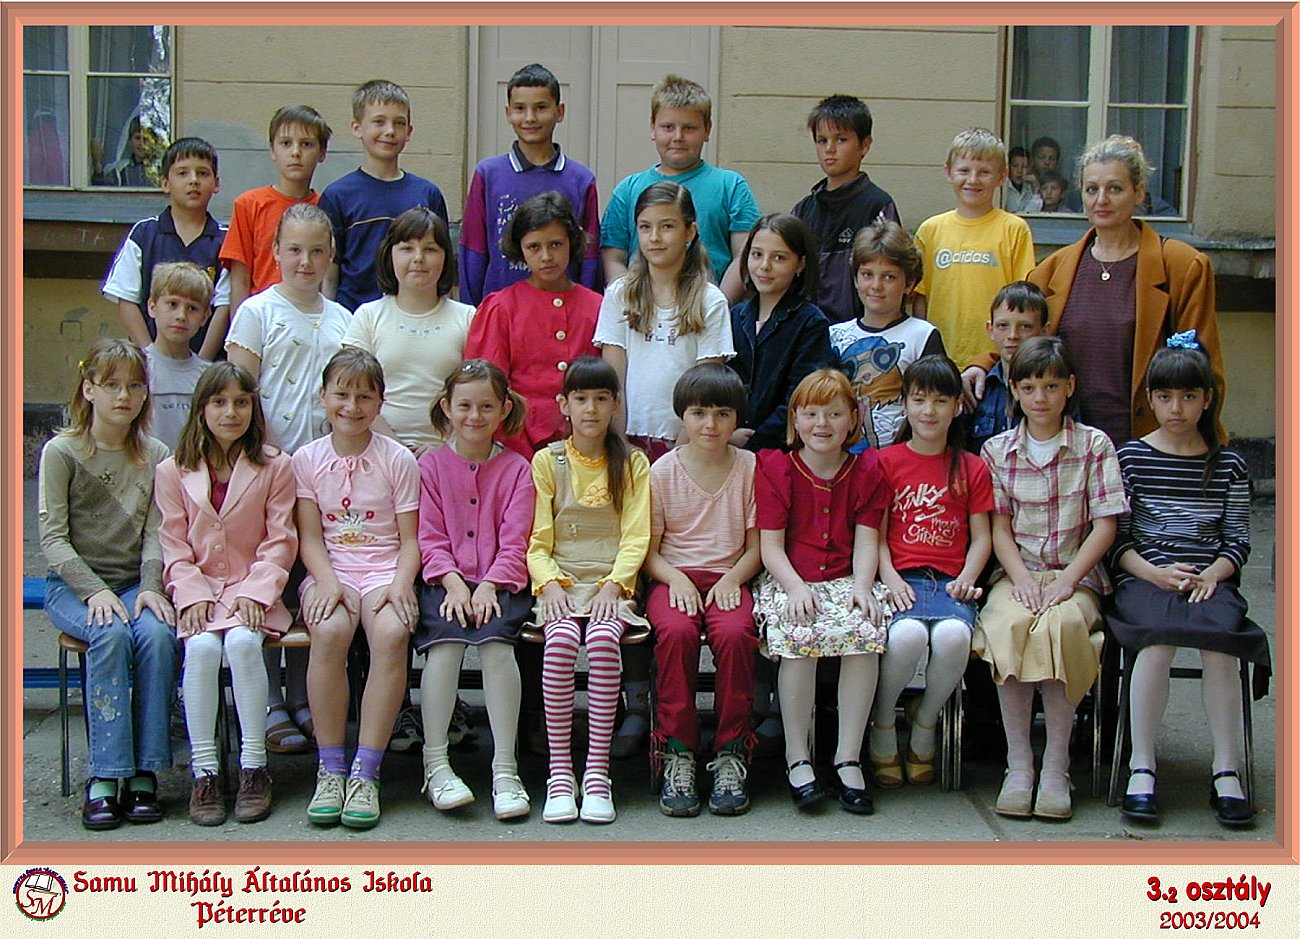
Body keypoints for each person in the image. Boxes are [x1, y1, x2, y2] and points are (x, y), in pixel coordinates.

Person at [966, 135, 1225, 446]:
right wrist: (982, 364)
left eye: (1114, 188)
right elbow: (1020, 337)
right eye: (1092, 189)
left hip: (1148, 446)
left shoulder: (1182, 266)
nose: (1102, 200)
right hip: (1067, 449)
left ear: (1138, 192)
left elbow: (1204, 371)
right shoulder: (1053, 270)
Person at [1109, 340, 1268, 828]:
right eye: (1165, 397)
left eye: (1188, 396)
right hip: (1147, 578)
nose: (1176, 408)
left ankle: (1226, 769)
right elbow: (1118, 540)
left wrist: (1213, 574)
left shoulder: (1228, 465)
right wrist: (1153, 573)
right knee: (1155, 643)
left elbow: (1237, 540)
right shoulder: (1131, 457)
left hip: (1208, 581)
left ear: (1207, 399)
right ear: (1151, 399)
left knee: (1220, 646)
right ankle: (1142, 765)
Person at [975, 336, 1127, 821]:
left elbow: (1105, 525)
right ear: (1014, 391)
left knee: (1063, 627)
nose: (1040, 397)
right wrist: (1021, 579)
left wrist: (1067, 581)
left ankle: (1057, 765)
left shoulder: (1094, 445)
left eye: (1051, 386)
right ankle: (1019, 764)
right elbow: (999, 528)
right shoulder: (997, 450)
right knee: (1009, 625)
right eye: (1029, 387)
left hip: (1075, 575)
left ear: (1070, 387)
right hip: (1016, 573)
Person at [226, 202, 352, 752]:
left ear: (331, 255)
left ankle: (304, 699)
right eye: (294, 249)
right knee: (266, 580)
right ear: (275, 251)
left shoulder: (343, 320)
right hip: (268, 471)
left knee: (310, 587)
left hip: (324, 475)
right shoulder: (256, 313)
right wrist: (260, 456)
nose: (305, 261)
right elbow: (238, 393)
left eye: (316, 251)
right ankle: (269, 703)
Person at [38, 339, 179, 831]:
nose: (124, 396)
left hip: (134, 583)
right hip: (75, 587)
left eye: (135, 386)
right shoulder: (62, 452)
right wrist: (92, 590)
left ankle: (145, 772)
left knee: (157, 634)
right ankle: (105, 774)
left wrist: (151, 586)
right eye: (112, 385)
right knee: (110, 634)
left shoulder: (156, 454)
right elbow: (53, 538)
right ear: (89, 389)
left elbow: (157, 531)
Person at [154, 362, 298, 826]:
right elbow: (173, 544)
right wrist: (190, 593)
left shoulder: (275, 465)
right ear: (201, 408)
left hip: (252, 591)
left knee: (241, 643)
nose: (230, 412)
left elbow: (280, 540)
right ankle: (206, 772)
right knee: (199, 650)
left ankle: (254, 766)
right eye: (219, 402)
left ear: (253, 408)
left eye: (240, 402)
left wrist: (257, 592)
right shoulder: (172, 470)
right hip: (199, 591)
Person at [293, 348, 421, 830]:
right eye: (341, 394)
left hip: (385, 567)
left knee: (390, 633)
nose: (352, 406)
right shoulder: (306, 459)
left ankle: (366, 771)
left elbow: (410, 540)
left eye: (365, 397)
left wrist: (402, 583)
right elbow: (309, 537)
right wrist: (327, 582)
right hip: (333, 567)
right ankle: (331, 768)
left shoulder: (397, 459)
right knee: (329, 632)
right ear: (323, 396)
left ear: (380, 402)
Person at [755, 368, 890, 815]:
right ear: (795, 419)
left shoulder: (866, 469)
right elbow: (770, 546)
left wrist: (864, 586)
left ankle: (848, 756)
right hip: (790, 576)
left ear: (852, 419)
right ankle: (798, 757)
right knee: (799, 632)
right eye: (811, 413)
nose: (822, 424)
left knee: (864, 630)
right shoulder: (777, 468)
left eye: (834, 414)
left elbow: (867, 539)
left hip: (846, 576)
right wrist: (794, 586)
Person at [527, 357, 651, 824]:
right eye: (580, 399)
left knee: (601, 641)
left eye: (601, 399)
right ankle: (561, 772)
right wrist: (548, 582)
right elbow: (537, 538)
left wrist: (616, 585)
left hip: (610, 585)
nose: (591, 409)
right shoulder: (547, 461)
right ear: (564, 404)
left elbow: (636, 535)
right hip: (561, 581)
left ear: (616, 404)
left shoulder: (633, 462)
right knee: (559, 642)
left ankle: (597, 772)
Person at [415, 360, 535, 821]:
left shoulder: (517, 469)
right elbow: (429, 536)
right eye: (464, 406)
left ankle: (505, 769)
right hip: (443, 581)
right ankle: (436, 764)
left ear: (504, 409)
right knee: (444, 648)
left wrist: (487, 585)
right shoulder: (430, 466)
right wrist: (451, 582)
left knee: (496, 648)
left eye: (486, 406)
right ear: (447, 407)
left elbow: (516, 539)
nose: (475, 416)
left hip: (498, 581)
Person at [868, 356, 992, 788]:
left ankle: (925, 719)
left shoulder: (972, 466)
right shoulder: (885, 462)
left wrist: (968, 578)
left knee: (954, 637)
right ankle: (883, 719)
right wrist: (889, 577)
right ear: (904, 403)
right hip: (901, 579)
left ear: (957, 406)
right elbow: (875, 535)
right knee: (906, 637)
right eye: (919, 400)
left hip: (950, 582)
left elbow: (982, 537)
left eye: (941, 401)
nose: (929, 411)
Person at [645, 364, 761, 817]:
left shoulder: (749, 467)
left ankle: (731, 749)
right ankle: (678, 750)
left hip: (730, 575)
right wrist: (674, 578)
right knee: (675, 633)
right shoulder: (662, 472)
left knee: (735, 635)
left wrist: (733, 578)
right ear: (682, 416)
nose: (710, 424)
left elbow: (757, 545)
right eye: (698, 413)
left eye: (722, 414)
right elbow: (648, 551)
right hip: (674, 576)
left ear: (736, 419)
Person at [595, 181, 734, 460]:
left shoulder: (710, 301)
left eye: (667, 226)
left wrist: (676, 456)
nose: (655, 237)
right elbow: (612, 380)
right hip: (627, 440)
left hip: (686, 443)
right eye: (645, 227)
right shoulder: (620, 294)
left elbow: (704, 389)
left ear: (690, 231)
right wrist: (620, 445)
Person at [464, 192, 602, 457]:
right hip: (515, 446)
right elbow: (487, 387)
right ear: (521, 249)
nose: (546, 256)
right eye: (534, 247)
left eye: (556, 244)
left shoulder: (597, 307)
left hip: (587, 445)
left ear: (571, 242)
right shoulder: (501, 307)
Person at [600, 74, 759, 303]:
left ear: (707, 130)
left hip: (708, 310)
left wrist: (716, 306)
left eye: (689, 128)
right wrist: (631, 304)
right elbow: (613, 258)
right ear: (653, 128)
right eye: (668, 127)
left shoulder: (730, 186)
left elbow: (744, 254)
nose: (678, 137)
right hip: (643, 311)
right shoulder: (628, 190)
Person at [459, 64, 602, 305]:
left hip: (564, 312)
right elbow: (472, 252)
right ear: (508, 113)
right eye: (520, 108)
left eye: (541, 107)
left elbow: (589, 259)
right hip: (502, 312)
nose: (530, 118)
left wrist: (587, 313)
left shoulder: (580, 180)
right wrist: (472, 313)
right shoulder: (488, 175)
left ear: (559, 111)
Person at [342, 206, 475, 453]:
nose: (418, 258)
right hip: (377, 450)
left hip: (450, 453)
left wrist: (443, 449)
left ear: (446, 257)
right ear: (390, 255)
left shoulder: (468, 318)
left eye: (430, 249)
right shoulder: (368, 316)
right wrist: (397, 449)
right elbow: (352, 391)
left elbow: (479, 394)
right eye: (407, 248)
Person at [319, 80, 449, 311]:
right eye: (379, 122)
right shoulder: (337, 196)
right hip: (353, 316)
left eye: (399, 123)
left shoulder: (427, 194)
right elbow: (330, 272)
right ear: (357, 127)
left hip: (414, 316)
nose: (389, 131)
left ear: (409, 131)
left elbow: (442, 264)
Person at [911, 128, 1035, 371]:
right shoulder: (930, 231)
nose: (973, 180)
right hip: (941, 359)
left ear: (1002, 176)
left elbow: (1022, 298)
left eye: (984, 172)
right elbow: (920, 299)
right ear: (948, 172)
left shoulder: (1014, 229)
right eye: (964, 170)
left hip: (995, 360)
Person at [102, 137, 231, 360]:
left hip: (207, 365)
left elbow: (224, 306)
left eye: (202, 173)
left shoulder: (226, 240)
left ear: (216, 183)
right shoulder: (145, 234)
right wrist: (150, 357)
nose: (193, 181)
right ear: (165, 183)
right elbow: (127, 298)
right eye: (182, 173)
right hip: (149, 362)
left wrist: (201, 365)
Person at [830, 220, 946, 450]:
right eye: (867, 274)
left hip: (902, 458)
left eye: (889, 277)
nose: (876, 285)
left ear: (909, 284)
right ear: (855, 279)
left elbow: (934, 402)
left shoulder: (922, 335)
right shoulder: (834, 335)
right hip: (842, 458)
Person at [728, 212, 834, 453]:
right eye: (757, 254)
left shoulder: (810, 322)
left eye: (779, 257)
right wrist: (727, 432)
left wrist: (755, 442)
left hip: (782, 450)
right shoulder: (735, 316)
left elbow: (802, 396)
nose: (765, 266)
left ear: (800, 264)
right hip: (729, 445)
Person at [791, 94, 901, 323]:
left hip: (860, 330)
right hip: (809, 331)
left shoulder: (877, 205)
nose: (829, 149)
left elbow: (891, 272)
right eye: (822, 140)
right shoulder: (803, 210)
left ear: (865, 145)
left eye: (841, 140)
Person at [220, 105, 332, 317]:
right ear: (272, 150)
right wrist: (240, 328)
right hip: (263, 319)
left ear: (322, 152)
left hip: (312, 317)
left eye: (306, 144)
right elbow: (240, 279)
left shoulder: (328, 206)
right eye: (286, 143)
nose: (296, 152)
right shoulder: (248, 205)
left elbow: (329, 276)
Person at [963, 281, 1048, 454]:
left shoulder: (1052, 390)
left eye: (1025, 327)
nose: (1012, 335)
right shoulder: (976, 388)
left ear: (1044, 331)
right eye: (1003, 326)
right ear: (990, 329)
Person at [141, 261, 215, 450]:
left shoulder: (209, 376)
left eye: (192, 308)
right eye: (172, 304)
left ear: (205, 316)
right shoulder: (136, 368)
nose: (181, 316)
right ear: (152, 306)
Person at [1003, 146, 1042, 214]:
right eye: (1015, 166)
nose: (1019, 171)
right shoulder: (1003, 188)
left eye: (1024, 167)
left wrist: (1036, 189)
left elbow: (1029, 214)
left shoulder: (1029, 187)